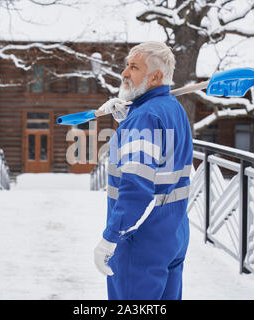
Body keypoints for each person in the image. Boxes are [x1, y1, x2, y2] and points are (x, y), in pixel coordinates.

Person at [94, 41, 193, 300]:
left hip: (140, 241)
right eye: (127, 65)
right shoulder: (173, 109)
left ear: (156, 77)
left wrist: (111, 236)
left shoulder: (146, 118)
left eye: (134, 67)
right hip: (172, 234)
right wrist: (130, 115)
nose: (125, 73)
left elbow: (136, 187)